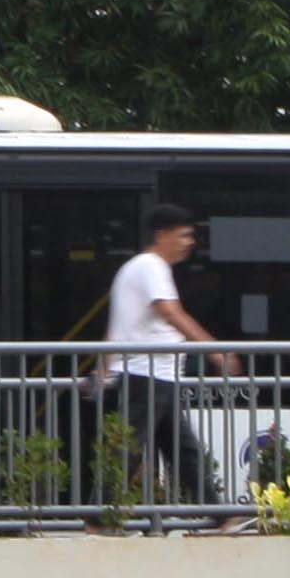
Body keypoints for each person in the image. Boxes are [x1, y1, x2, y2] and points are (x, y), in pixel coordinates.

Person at [103, 204, 238, 505]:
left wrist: (106, 367)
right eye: (183, 235)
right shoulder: (151, 267)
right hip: (147, 374)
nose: (189, 242)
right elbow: (171, 312)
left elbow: (118, 325)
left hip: (155, 375)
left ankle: (219, 513)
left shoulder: (137, 268)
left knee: (180, 450)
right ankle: (99, 516)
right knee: (129, 450)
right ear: (161, 235)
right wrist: (215, 351)